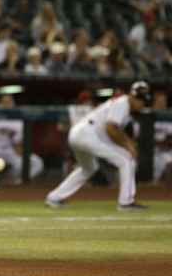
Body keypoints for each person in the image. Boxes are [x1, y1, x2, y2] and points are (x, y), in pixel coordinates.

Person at [45, 81, 152, 211]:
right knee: (126, 159)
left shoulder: (122, 105)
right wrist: (128, 144)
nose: (141, 103)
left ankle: (54, 198)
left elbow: (112, 131)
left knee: (88, 168)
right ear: (131, 95)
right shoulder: (122, 103)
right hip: (88, 135)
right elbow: (111, 129)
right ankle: (126, 202)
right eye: (139, 99)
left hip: (78, 133)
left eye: (143, 100)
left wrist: (124, 143)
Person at [0, 95, 44, 184]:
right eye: (4, 102)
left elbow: (19, 143)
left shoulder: (18, 121)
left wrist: (19, 150)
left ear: (13, 104)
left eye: (9, 102)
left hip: (9, 154)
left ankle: (16, 182)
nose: (7, 105)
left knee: (37, 162)